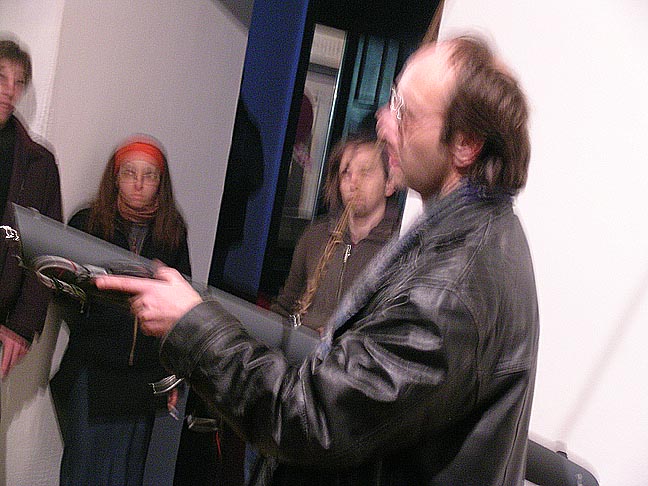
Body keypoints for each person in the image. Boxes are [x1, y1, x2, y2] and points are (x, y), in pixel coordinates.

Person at [96, 35, 539, 485]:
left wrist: (193, 325)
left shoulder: (452, 286)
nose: (384, 122)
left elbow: (313, 420)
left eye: (405, 112)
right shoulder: (471, 239)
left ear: (466, 143)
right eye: (392, 100)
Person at [50, 136, 191, 485]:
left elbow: (180, 307)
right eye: (130, 173)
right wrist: (94, 323)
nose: (139, 184)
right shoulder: (88, 223)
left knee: (127, 471)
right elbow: (64, 290)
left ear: (161, 182)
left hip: (143, 374)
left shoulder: (172, 232)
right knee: (84, 468)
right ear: (115, 178)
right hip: (93, 367)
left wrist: (169, 372)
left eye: (149, 175)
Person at [272, 131, 399, 331]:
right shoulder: (315, 236)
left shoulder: (400, 247)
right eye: (346, 173)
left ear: (389, 184)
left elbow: (395, 330)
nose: (353, 183)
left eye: (365, 172)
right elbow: (285, 306)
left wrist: (340, 336)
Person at [0, 38, 62, 381]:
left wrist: (22, 324)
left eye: (19, 81)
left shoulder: (39, 164)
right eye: (1, 77)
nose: (10, 90)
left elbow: (47, 252)